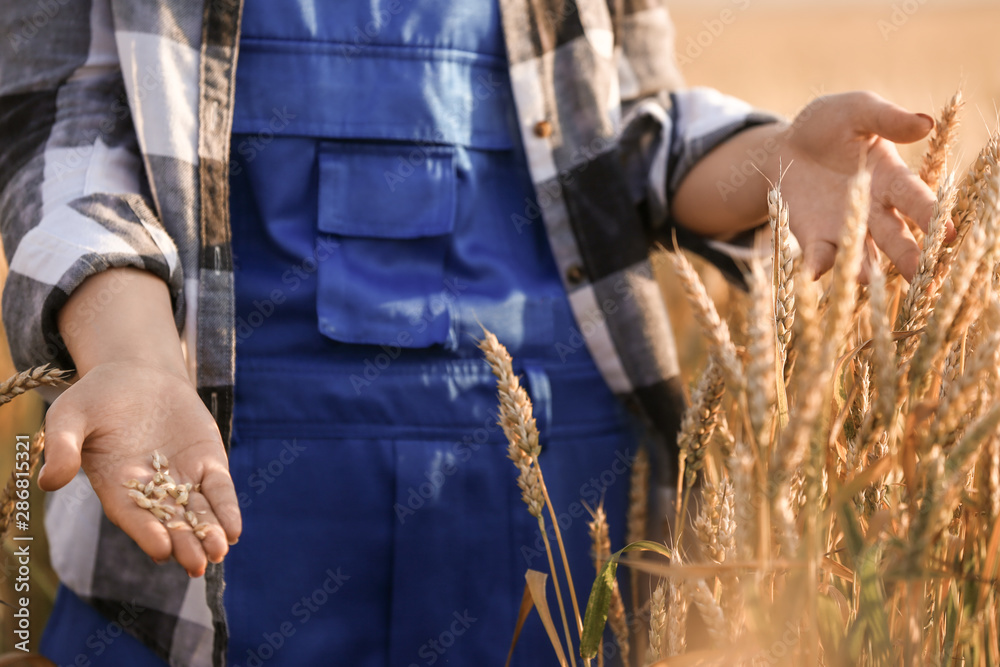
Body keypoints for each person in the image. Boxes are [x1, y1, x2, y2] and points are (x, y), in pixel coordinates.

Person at [0, 0, 936, 665]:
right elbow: (52, 127)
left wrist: (775, 160)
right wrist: (131, 356)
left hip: (555, 508)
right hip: (224, 503)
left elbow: (625, 131)